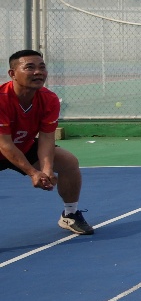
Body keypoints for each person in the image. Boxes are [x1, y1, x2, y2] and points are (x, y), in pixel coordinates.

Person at [1, 49, 90, 235]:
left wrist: (47, 169)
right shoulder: (2, 100)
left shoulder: (49, 99)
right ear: (12, 74)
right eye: (30, 67)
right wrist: (33, 172)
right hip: (5, 146)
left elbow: (47, 137)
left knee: (68, 162)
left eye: (42, 67)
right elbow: (5, 145)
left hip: (23, 146)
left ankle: (70, 214)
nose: (38, 72)